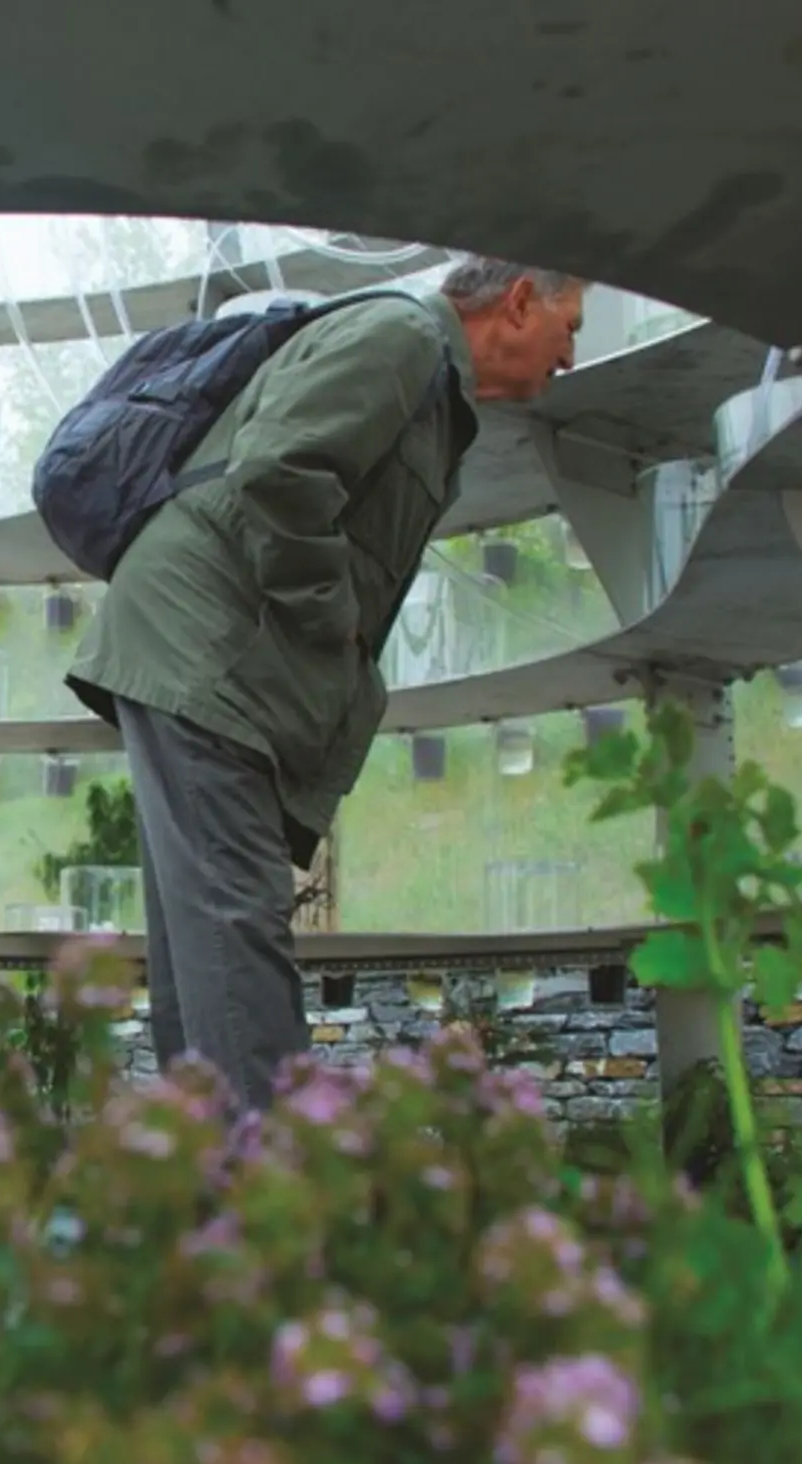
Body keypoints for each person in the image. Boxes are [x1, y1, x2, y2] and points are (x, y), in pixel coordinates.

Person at [65, 255, 588, 1111]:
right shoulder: (402, 335)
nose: (569, 357)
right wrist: (331, 614)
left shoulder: (425, 371)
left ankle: (203, 1189)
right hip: (206, 652)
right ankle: (274, 1201)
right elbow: (283, 467)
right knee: (234, 933)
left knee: (204, 949)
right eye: (570, 328)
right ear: (522, 302)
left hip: (205, 652)